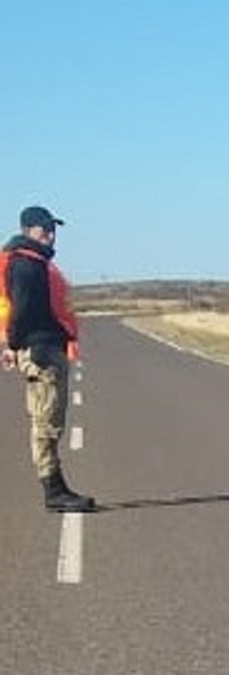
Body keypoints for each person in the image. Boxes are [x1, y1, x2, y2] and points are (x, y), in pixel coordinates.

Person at [1, 204, 97, 512]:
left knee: (50, 419)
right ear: (28, 231)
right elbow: (21, 310)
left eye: (53, 229)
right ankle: (53, 490)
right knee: (46, 421)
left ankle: (56, 487)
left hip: (46, 347)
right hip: (40, 351)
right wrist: (13, 346)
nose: (52, 235)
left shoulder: (36, 263)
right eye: (45, 229)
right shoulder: (26, 266)